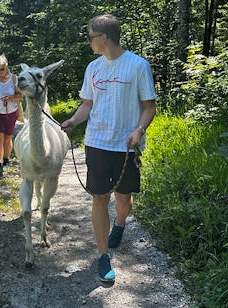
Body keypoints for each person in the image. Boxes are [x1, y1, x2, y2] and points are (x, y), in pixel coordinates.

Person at [61, 14, 157, 283]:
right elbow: (88, 105)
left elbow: (149, 106)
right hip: (97, 143)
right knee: (99, 197)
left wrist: (139, 130)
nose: (89, 42)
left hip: (127, 145)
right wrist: (74, 121)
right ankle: (103, 256)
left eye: (91, 37)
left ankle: (121, 223)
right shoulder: (93, 68)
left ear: (103, 38)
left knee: (123, 199)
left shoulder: (138, 66)